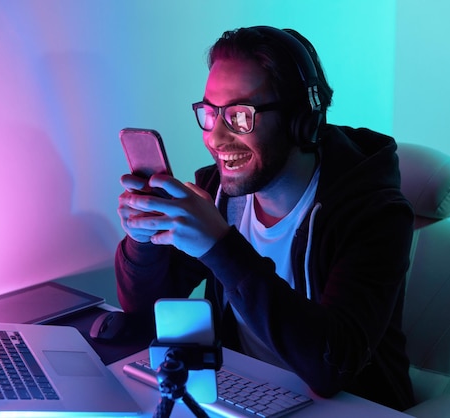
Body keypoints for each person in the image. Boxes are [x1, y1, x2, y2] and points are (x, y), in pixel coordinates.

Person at [115, 26, 416, 411]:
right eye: (211, 113)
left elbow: (331, 370)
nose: (216, 138)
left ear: (300, 119)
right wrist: (143, 238)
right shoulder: (219, 192)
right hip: (246, 396)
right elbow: (141, 309)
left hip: (347, 407)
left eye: (240, 116)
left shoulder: (375, 215)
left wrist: (219, 246)